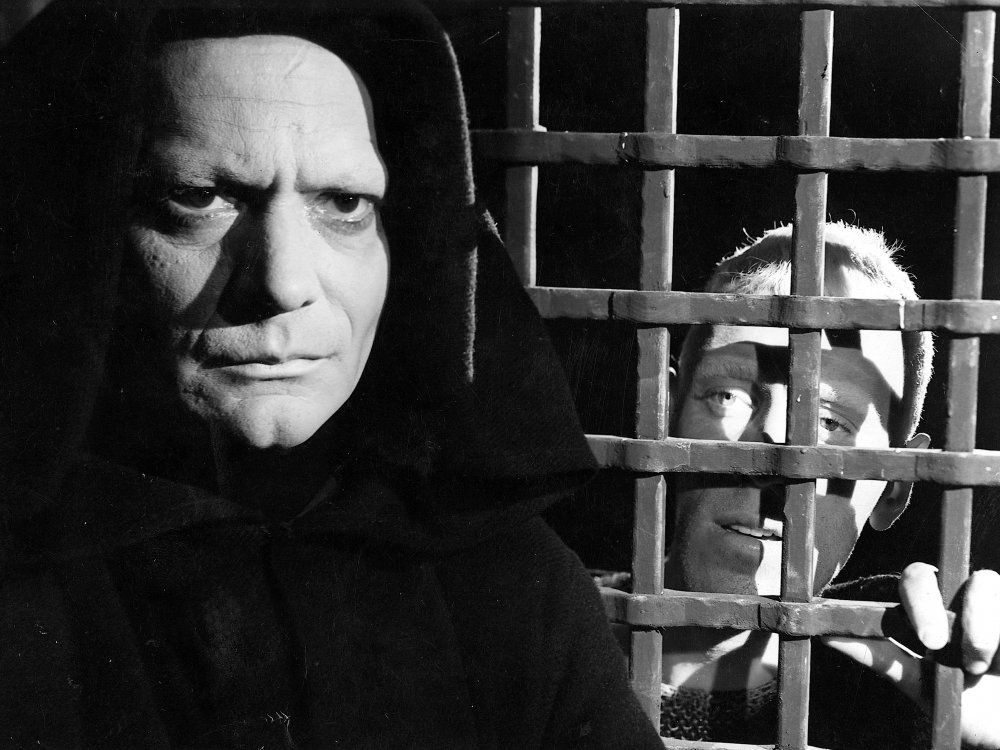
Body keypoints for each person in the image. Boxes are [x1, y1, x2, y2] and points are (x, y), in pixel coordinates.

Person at [0, 1, 663, 747]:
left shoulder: (512, 587)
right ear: (72, 232)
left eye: (344, 204)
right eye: (199, 198)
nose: (284, 282)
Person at [659, 222, 1000, 747]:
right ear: (663, 417)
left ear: (895, 484)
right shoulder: (543, 624)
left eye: (830, 422)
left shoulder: (903, 690)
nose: (778, 458)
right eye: (728, 396)